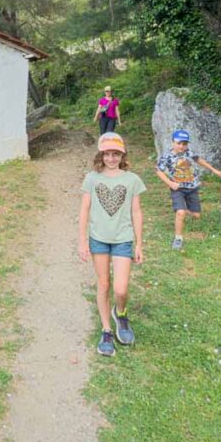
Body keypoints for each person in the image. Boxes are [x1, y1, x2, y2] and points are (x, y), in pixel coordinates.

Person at [78, 132, 146, 357]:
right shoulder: (92, 178)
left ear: (122, 155)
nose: (111, 158)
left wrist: (139, 244)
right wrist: (82, 241)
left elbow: (136, 212)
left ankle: (121, 313)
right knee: (104, 284)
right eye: (107, 154)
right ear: (101, 155)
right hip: (98, 240)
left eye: (115, 154)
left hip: (122, 239)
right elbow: (84, 210)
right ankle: (106, 330)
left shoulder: (132, 180)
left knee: (120, 288)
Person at [155, 129, 221, 250]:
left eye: (184, 144)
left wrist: (213, 170)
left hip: (192, 188)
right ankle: (178, 238)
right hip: (178, 188)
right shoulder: (167, 156)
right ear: (173, 142)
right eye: (179, 143)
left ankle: (181, 209)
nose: (181, 146)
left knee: (196, 215)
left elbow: (199, 160)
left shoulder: (189, 152)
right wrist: (170, 183)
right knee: (180, 213)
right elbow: (158, 171)